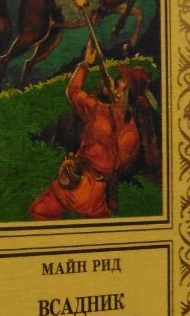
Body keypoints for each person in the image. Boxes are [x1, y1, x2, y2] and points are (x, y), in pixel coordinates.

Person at [29, 38, 141, 220]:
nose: (118, 82)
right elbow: (119, 163)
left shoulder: (98, 110)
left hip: (76, 184)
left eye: (122, 83)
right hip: (96, 193)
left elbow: (72, 91)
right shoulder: (131, 132)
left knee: (38, 212)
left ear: (126, 94)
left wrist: (85, 64)